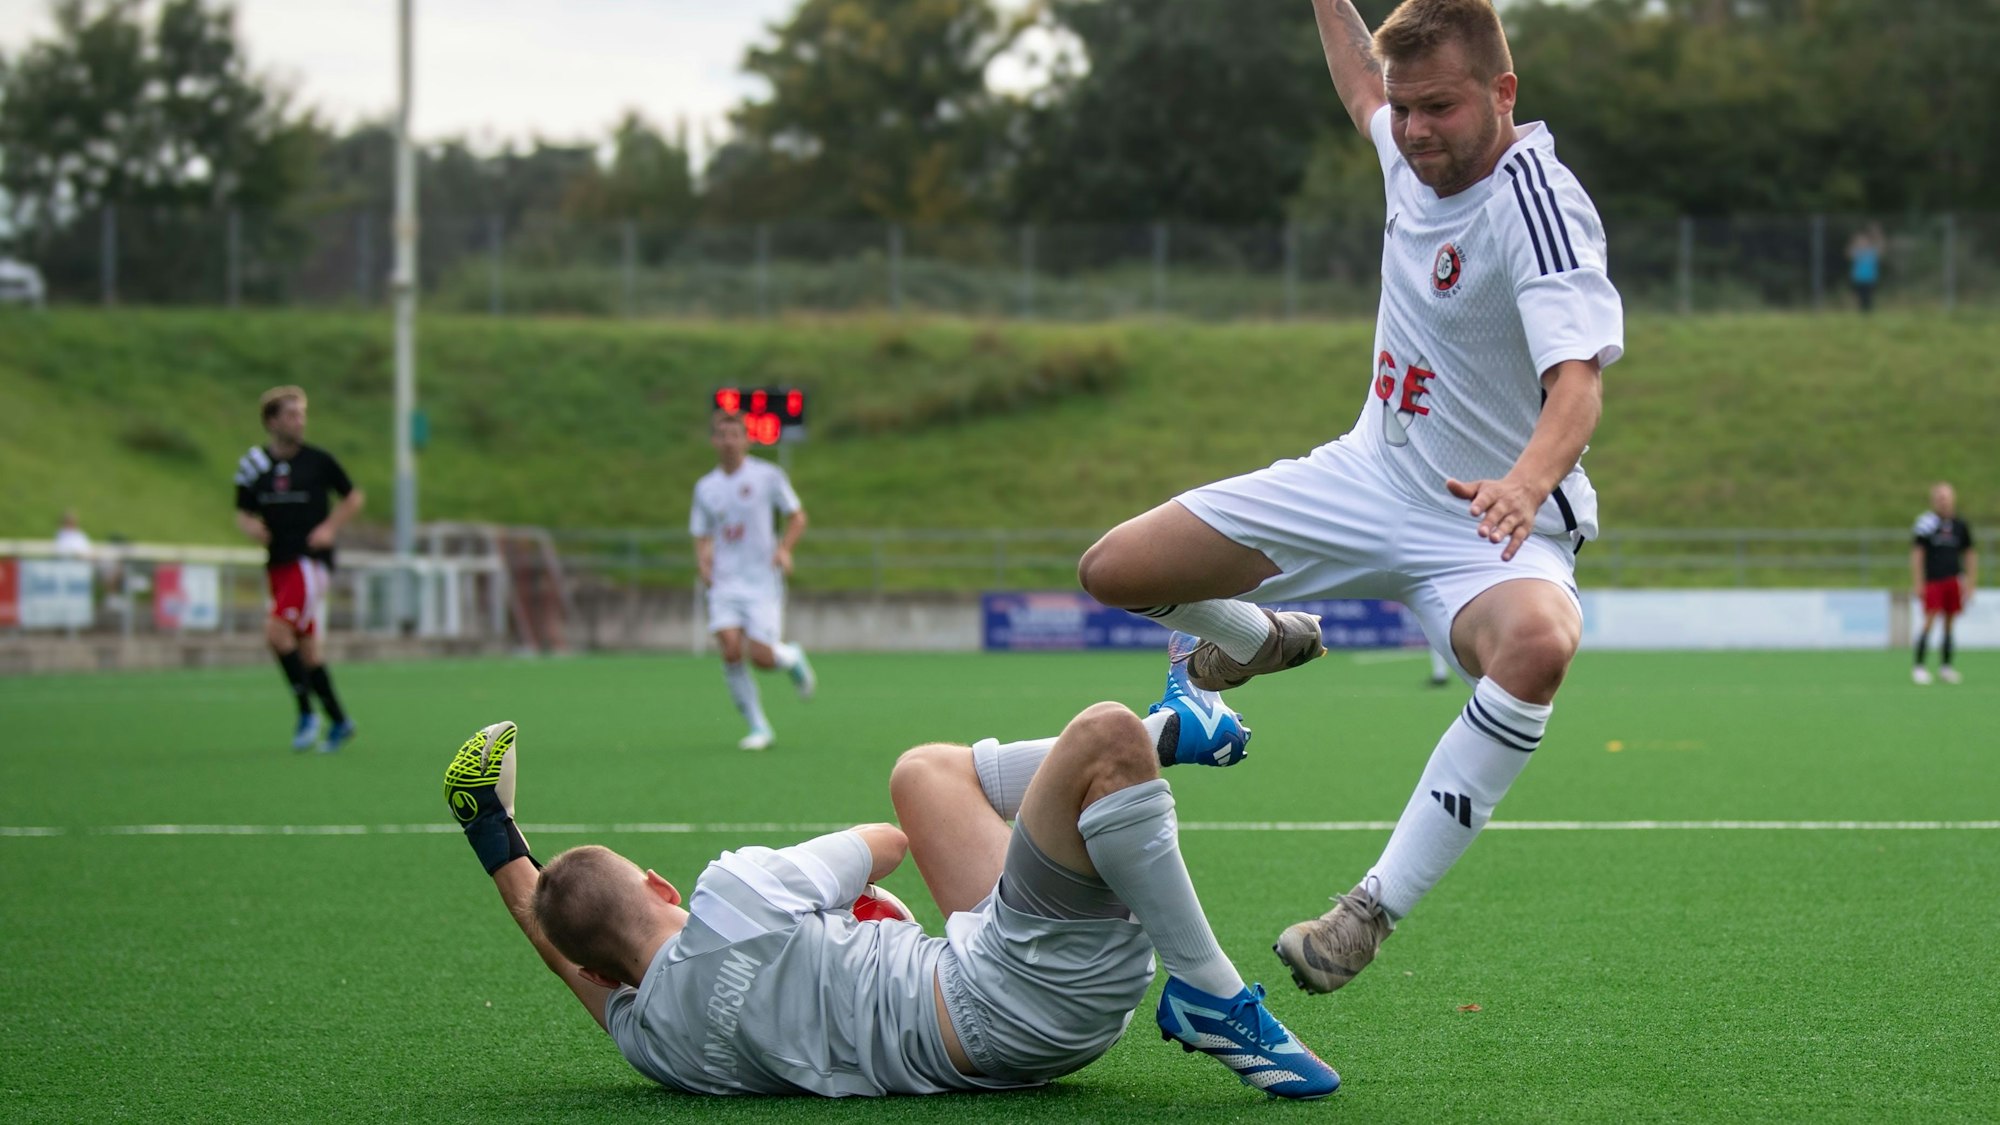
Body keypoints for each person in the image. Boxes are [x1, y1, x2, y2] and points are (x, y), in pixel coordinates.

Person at [1076, 0, 1623, 995]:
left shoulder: (1534, 202)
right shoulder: (1407, 146)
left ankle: (1364, 914)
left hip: (1486, 522)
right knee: (1114, 569)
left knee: (1537, 645)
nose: (1413, 131)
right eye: (1405, 110)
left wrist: (1524, 482)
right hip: (1364, 477)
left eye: (1439, 110)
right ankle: (1256, 638)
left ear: (1501, 94)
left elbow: (1578, 380)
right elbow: (1359, 86)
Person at [442, 658, 1339, 1100]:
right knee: (1102, 735)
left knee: (925, 773)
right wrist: (850, 905)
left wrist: (494, 834)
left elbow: (559, 943)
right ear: (659, 883)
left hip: (997, 1017)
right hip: (1013, 990)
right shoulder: (735, 892)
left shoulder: (655, 1039)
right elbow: (884, 845)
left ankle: (1172, 733)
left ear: (604, 976)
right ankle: (1210, 990)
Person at [233, 386, 364, 752]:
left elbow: (353, 496)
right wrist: (249, 526)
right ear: (272, 421)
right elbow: (242, 510)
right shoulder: (255, 464)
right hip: (277, 562)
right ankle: (339, 720)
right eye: (291, 415)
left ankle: (306, 713)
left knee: (275, 631)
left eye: (302, 414)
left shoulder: (318, 461)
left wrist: (329, 528)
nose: (299, 421)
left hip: (308, 564)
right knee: (307, 651)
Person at [691, 410, 815, 751]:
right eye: (723, 435)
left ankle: (790, 658)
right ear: (714, 441)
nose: (729, 442)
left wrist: (784, 549)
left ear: (746, 439)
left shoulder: (768, 476)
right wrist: (703, 560)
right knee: (730, 648)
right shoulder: (705, 487)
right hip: (725, 582)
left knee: (761, 657)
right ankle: (758, 726)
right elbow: (701, 533)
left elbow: (797, 517)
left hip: (762, 580)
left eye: (736, 435)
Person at [1910, 482, 1976, 685]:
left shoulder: (1960, 525)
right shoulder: (1926, 523)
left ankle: (1946, 667)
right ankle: (1919, 667)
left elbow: (1970, 553)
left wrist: (1971, 583)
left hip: (1953, 580)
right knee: (1929, 621)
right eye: (1939, 497)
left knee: (1949, 624)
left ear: (1953, 499)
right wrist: (1918, 582)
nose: (1943, 501)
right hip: (1933, 581)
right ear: (1933, 500)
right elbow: (1917, 554)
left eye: (1946, 497)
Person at [1847, 224, 1883, 313]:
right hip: (1858, 278)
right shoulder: (1856, 251)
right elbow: (1848, 253)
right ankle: (1858, 312)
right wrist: (1853, 241)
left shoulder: (1872, 251)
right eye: (1860, 241)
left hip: (1870, 278)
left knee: (1868, 297)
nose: (1862, 243)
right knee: (1858, 297)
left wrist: (1877, 234)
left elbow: (1881, 247)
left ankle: (1868, 313)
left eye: (1864, 241)